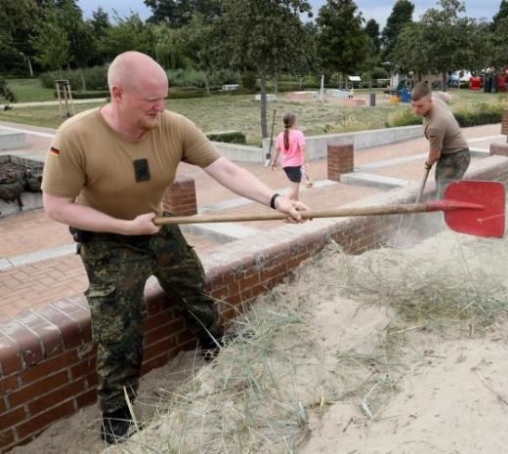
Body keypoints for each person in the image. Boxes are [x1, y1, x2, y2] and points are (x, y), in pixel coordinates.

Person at [41, 51, 308, 445]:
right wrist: (124, 226)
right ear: (118, 93)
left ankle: (214, 342)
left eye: (164, 98)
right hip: (108, 240)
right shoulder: (75, 136)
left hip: (157, 226)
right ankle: (118, 413)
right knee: (117, 326)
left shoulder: (174, 126)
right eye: (151, 100)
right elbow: (55, 207)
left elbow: (225, 169)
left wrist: (275, 201)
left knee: (191, 283)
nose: (160, 108)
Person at [410, 81, 471, 197]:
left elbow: (434, 155)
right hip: (448, 154)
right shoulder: (436, 97)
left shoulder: (436, 125)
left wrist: (428, 163)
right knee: (441, 183)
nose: (416, 110)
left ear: (430, 101)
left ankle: (444, 213)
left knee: (444, 193)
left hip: (456, 157)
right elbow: (447, 96)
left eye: (420, 106)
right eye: (413, 105)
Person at [269, 112, 308, 201]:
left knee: (295, 188)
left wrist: (273, 162)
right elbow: (303, 149)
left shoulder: (280, 135)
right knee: (294, 189)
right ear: (294, 122)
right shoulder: (298, 134)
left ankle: (296, 209)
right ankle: (282, 203)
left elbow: (277, 150)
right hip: (295, 165)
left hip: (286, 166)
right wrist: (304, 163)